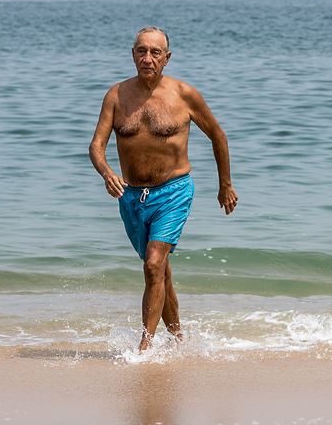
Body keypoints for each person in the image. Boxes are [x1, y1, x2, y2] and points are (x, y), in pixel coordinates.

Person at [89, 26, 238, 352]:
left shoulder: (184, 95)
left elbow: (218, 136)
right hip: (130, 197)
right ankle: (178, 336)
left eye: (155, 52)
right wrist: (106, 172)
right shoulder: (116, 96)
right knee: (160, 271)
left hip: (173, 191)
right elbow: (96, 146)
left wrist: (225, 185)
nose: (147, 58)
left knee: (153, 264)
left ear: (167, 58)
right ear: (132, 54)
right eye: (142, 51)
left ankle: (145, 345)